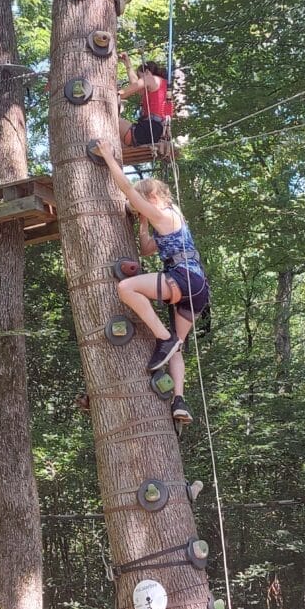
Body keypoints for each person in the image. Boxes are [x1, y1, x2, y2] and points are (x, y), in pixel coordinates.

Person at [92, 141, 210, 424]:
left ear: (154, 196)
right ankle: (180, 401)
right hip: (197, 289)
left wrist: (109, 157)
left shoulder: (166, 213)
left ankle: (163, 337)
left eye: (146, 202)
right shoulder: (171, 219)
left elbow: (128, 191)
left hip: (183, 279)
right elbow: (146, 249)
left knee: (126, 288)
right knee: (178, 349)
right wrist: (143, 223)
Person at [117, 52, 173, 153]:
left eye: (140, 77)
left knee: (111, 120)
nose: (140, 80)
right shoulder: (160, 85)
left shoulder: (150, 79)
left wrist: (111, 94)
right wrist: (128, 64)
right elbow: (136, 86)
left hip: (146, 131)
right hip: (155, 133)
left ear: (147, 72)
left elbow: (124, 93)